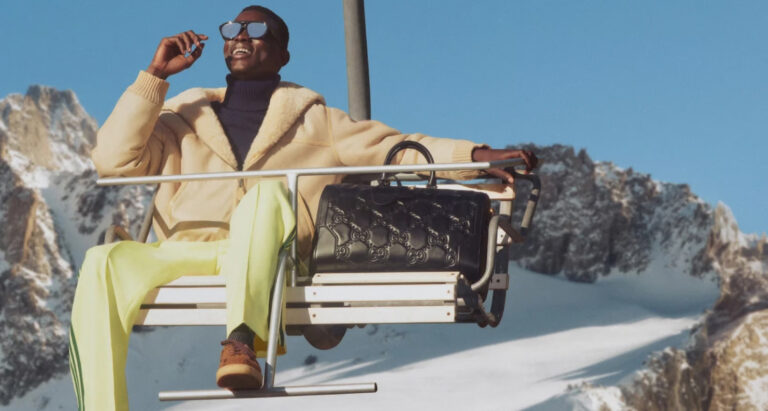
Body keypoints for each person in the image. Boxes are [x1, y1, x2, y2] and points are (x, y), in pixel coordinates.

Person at [68, 5, 537, 411]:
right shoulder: (181, 118)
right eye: (232, 30)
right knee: (103, 260)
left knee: (268, 196)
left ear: (283, 53)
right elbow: (112, 161)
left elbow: (394, 148)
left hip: (278, 255)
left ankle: (241, 343)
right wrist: (155, 78)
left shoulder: (316, 120)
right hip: (191, 250)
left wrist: (473, 156)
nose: (241, 38)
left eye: (256, 31)